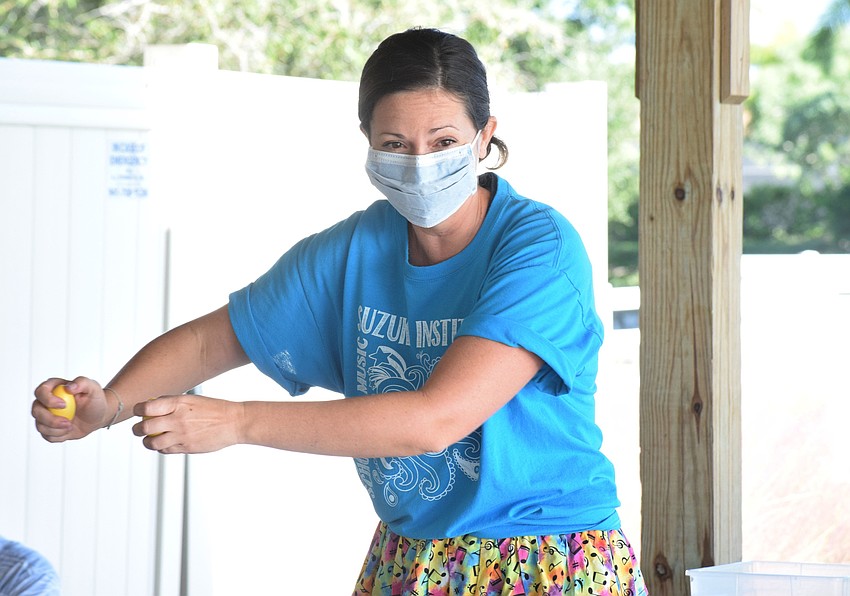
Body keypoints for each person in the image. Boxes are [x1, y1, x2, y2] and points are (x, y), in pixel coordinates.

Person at [32, 27, 648, 596]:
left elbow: (436, 420)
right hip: (409, 553)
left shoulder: (539, 248)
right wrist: (108, 406)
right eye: (395, 143)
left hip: (547, 554)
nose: (420, 161)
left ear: (486, 136)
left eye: (444, 142)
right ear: (369, 146)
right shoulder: (351, 251)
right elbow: (210, 343)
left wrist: (239, 421)